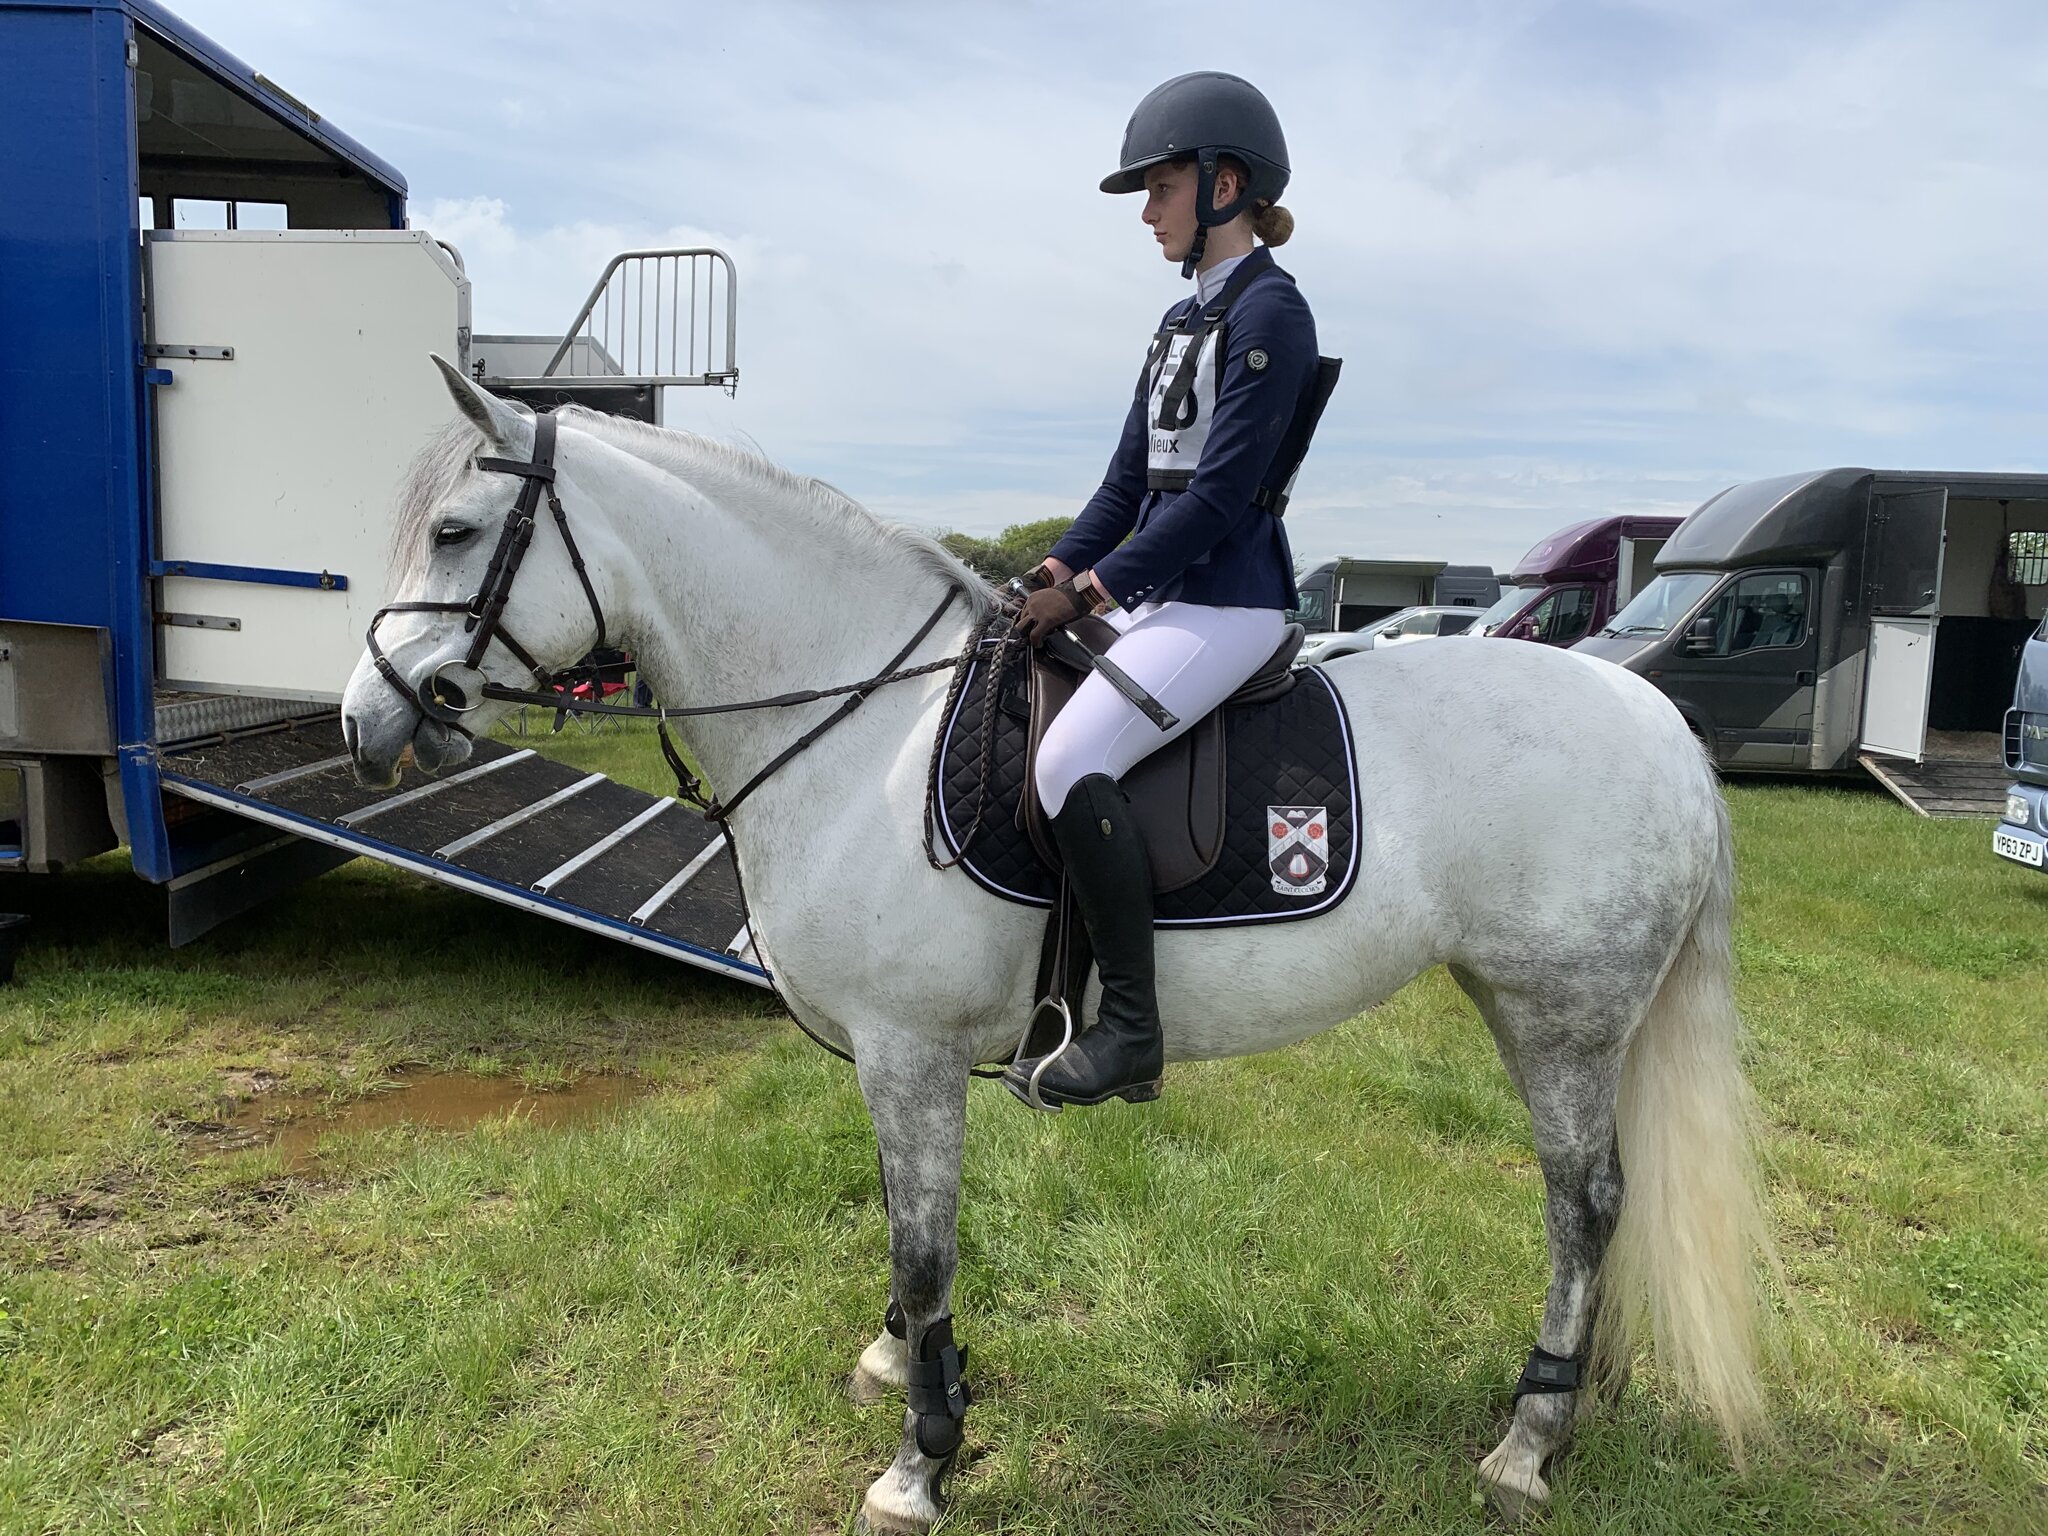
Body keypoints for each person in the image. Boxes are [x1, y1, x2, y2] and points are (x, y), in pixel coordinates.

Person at [1004, 71, 1335, 1112]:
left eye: (1157, 188)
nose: (1146, 211)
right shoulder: (1176, 319)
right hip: (1161, 598)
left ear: (1221, 183)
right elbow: (1125, 486)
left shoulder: (1269, 312)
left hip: (1226, 605)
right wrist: (1055, 568)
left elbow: (1222, 499)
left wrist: (1096, 589)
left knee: (1070, 757)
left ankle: (1132, 1032)